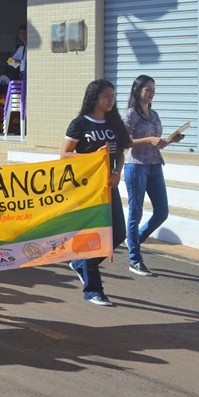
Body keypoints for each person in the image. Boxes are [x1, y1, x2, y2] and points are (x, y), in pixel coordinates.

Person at [61, 79, 131, 306]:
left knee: (118, 234)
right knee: (93, 237)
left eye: (112, 96)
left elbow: (119, 152)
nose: (111, 100)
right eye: (106, 96)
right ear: (94, 98)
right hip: (87, 189)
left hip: (109, 186)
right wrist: (94, 156)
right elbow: (65, 155)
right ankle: (93, 290)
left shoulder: (114, 122)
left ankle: (80, 264)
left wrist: (117, 172)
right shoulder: (80, 124)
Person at [122, 75, 182, 277]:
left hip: (155, 165)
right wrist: (149, 139)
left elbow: (156, 140)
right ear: (137, 90)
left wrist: (168, 140)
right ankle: (135, 259)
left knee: (162, 212)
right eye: (148, 89)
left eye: (154, 89)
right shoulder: (131, 114)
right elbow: (125, 142)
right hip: (136, 166)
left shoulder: (154, 114)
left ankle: (135, 239)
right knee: (135, 213)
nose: (151, 93)